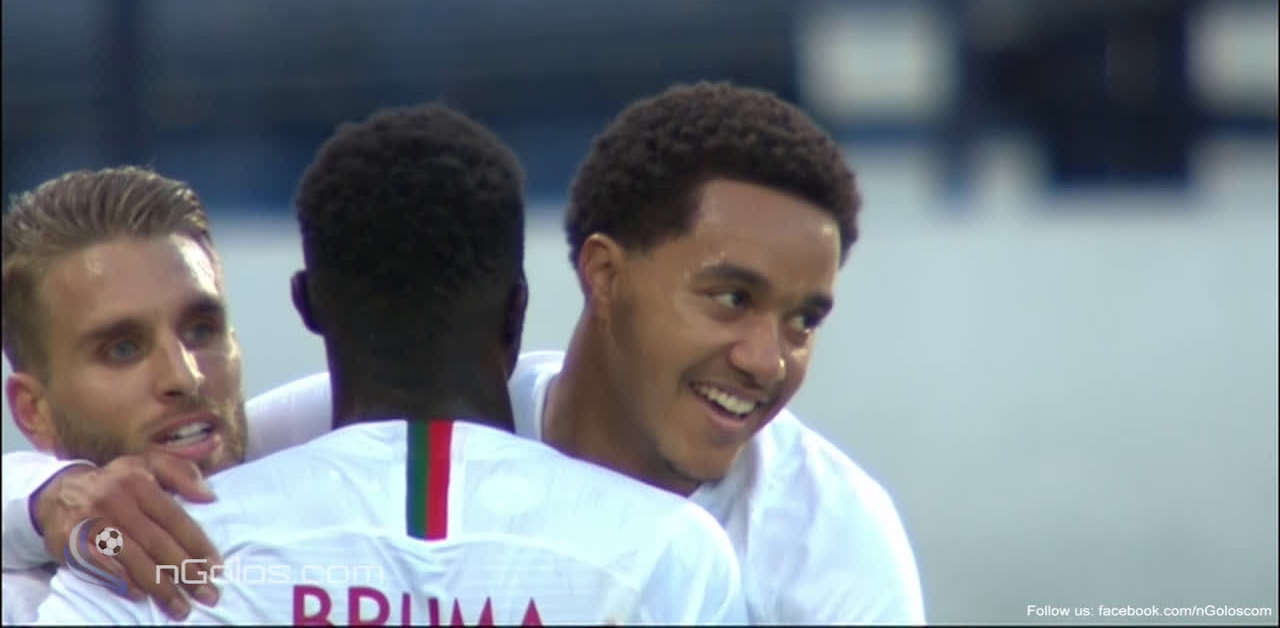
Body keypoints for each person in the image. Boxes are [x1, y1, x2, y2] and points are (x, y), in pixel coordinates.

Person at [6, 82, 923, 623]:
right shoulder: (248, 463)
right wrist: (50, 497)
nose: (767, 360)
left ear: (310, 312)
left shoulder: (832, 537)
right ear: (598, 277)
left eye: (805, 320)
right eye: (731, 299)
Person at [1, 167, 248, 623]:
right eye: (122, 349)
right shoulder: (23, 606)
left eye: (201, 329)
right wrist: (43, 501)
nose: (185, 376)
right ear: (34, 411)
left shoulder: (328, 471)